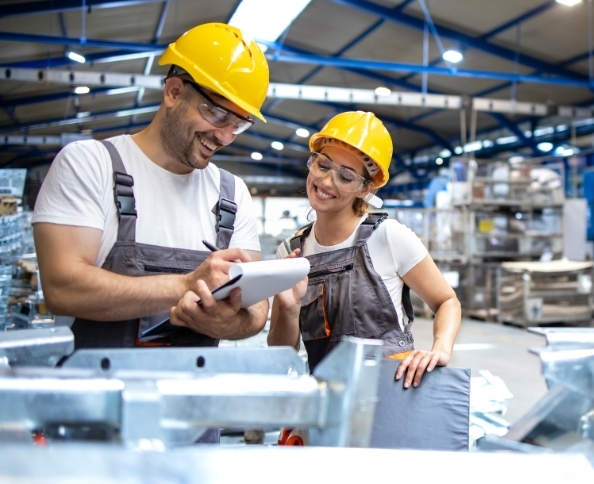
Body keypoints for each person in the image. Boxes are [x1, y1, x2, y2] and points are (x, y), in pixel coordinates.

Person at [32, 23, 270, 350]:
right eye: (216, 114)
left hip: (193, 395)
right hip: (98, 394)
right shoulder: (91, 163)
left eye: (239, 124)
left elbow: (256, 311)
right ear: (173, 92)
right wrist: (184, 285)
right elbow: (62, 288)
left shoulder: (231, 193)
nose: (225, 136)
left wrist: (227, 322)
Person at [268, 111, 461, 388]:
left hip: (394, 395)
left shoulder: (388, 237)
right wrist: (289, 309)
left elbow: (447, 302)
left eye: (345, 177)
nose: (325, 182)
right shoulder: (291, 252)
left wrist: (440, 349)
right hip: (329, 404)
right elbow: (281, 354)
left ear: (364, 188)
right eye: (322, 166)